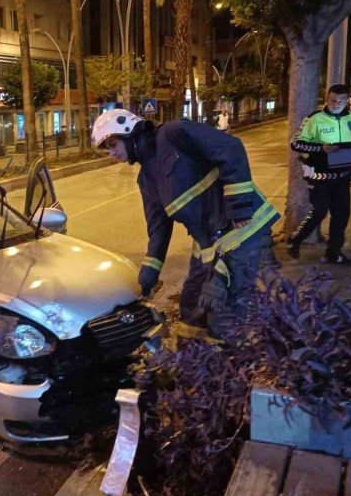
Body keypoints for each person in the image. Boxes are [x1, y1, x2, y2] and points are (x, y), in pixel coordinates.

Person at [91, 109, 279, 343]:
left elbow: (231, 148)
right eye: (107, 149)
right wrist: (148, 275)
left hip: (245, 229)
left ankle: (227, 368)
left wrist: (239, 205)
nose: (112, 153)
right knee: (192, 302)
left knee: (224, 309)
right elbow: (158, 227)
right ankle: (189, 360)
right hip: (211, 244)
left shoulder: (173, 134)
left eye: (112, 144)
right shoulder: (146, 178)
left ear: (128, 131)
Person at [286, 84, 351, 263]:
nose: (337, 103)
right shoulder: (315, 118)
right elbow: (295, 143)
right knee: (320, 211)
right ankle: (295, 239)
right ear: (327, 99)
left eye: (341, 100)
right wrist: (321, 149)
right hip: (319, 175)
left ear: (347, 101)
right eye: (333, 100)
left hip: (342, 175)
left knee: (342, 213)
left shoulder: (350, 117)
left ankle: (334, 252)